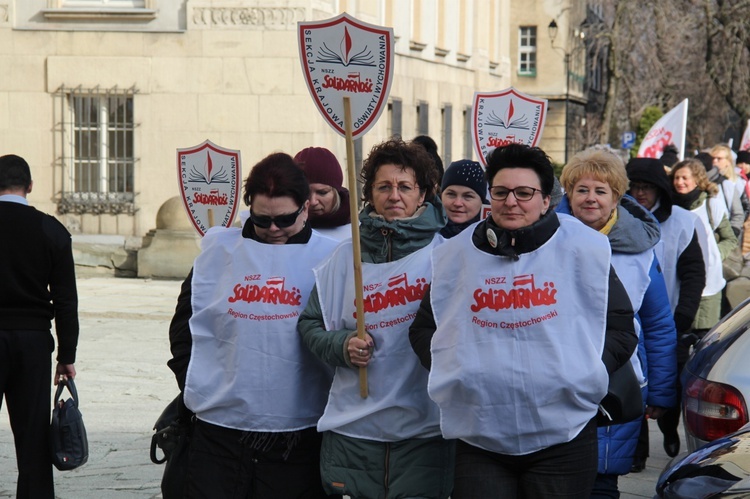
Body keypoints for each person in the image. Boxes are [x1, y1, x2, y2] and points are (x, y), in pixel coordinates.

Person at [409, 143, 637, 498]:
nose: (511, 201)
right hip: (479, 435)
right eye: (501, 192)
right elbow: (425, 327)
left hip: (564, 435)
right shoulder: (455, 256)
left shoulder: (584, 249)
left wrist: (584, 370)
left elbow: (621, 327)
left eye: (524, 192)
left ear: (546, 199)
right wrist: (455, 367)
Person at [167, 153, 340, 498]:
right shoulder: (220, 252)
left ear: (305, 208)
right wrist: (194, 379)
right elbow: (185, 327)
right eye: (263, 220)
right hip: (220, 430)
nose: (273, 229)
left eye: (284, 219)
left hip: (300, 431)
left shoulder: (333, 257)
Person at [298, 138, 453, 499]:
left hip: (425, 433)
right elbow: (310, 324)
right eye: (384, 186)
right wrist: (341, 345)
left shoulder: (445, 256)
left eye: (404, 187)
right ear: (369, 193)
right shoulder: (343, 259)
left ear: (423, 194)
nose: (394, 195)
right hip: (353, 431)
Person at [556, 147, 677, 498]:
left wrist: (661, 391)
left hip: (618, 379)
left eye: (600, 191)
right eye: (582, 189)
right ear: (568, 193)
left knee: (601, 482)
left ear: (616, 198)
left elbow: (657, 324)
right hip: (554, 377)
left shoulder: (641, 253)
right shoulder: (544, 237)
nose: (590, 198)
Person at [0, 154, 79, 498]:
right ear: (30, 186)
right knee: (33, 439)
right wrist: (67, 355)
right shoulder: (51, 230)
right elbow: (66, 301)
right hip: (32, 342)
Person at [625, 157, 706, 470]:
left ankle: (670, 426)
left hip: (668, 321)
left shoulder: (683, 222)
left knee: (667, 385)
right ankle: (636, 453)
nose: (641, 193)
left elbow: (693, 273)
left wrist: (682, 317)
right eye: (635, 187)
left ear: (660, 189)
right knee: (633, 387)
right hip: (628, 322)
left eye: (647, 187)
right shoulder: (615, 219)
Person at [670, 158, 737, 334]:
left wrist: (713, 255)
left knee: (703, 336)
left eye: (685, 178)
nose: (679, 182)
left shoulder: (710, 204)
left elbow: (730, 238)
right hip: (678, 284)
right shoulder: (669, 206)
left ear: (697, 179)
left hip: (709, 288)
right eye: (676, 178)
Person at [293, 147, 352, 240]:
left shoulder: (358, 233)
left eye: (322, 192)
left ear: (336, 192)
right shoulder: (278, 232)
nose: (312, 202)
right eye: (305, 193)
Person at [439, 159, 488, 238]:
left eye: (468, 196)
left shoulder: (495, 237)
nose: (458, 203)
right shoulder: (423, 233)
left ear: (482, 201)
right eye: (451, 194)